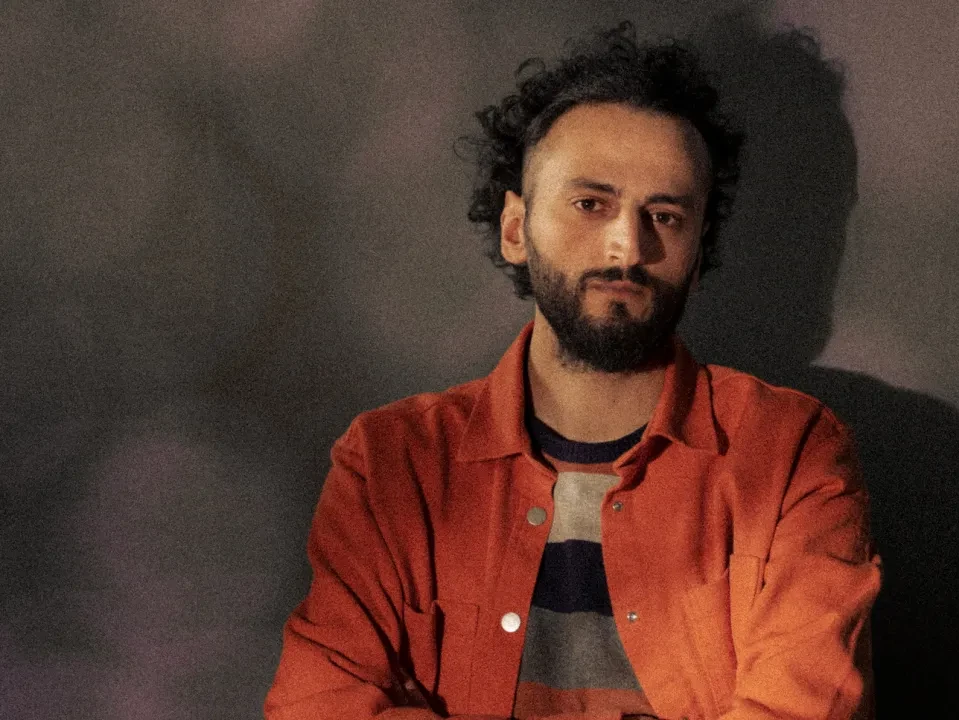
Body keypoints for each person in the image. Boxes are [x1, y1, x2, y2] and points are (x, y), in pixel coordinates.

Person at [264, 23, 880, 720]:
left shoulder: (793, 453)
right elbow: (319, 704)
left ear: (699, 251)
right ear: (515, 230)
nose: (628, 246)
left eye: (665, 215)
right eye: (591, 204)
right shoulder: (390, 464)